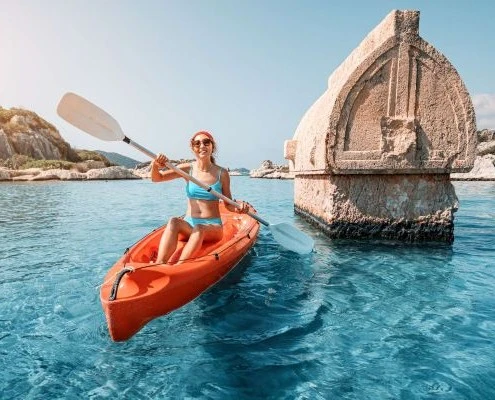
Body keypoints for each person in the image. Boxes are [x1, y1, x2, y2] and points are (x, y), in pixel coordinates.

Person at [151, 130, 249, 264]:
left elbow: (228, 204)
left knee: (200, 228)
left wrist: (239, 208)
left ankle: (179, 268)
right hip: (189, 223)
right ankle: (159, 264)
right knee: (174, 221)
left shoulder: (222, 173)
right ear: (193, 148)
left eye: (206, 142)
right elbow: (157, 178)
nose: (202, 146)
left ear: (212, 146)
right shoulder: (186, 169)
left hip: (212, 226)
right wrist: (155, 165)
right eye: (197, 143)